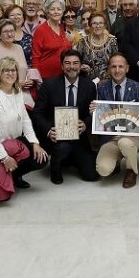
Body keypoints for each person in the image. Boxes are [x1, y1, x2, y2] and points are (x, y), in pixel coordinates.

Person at [0, 58, 49, 207]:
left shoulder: (17, 92)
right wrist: (4, 158)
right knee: (2, 198)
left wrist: (35, 143)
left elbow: (25, 121)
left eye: (13, 70)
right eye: (6, 70)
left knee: (41, 158)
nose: (10, 73)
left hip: (13, 146)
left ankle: (12, 175)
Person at [32, 50, 99, 184]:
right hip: (56, 137)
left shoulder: (89, 86)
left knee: (91, 176)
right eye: (67, 63)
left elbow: (92, 113)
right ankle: (56, 165)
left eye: (75, 63)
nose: (71, 67)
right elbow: (37, 113)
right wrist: (48, 130)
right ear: (62, 66)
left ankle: (71, 158)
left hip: (79, 136)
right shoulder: (49, 85)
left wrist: (86, 123)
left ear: (80, 66)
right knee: (63, 148)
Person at [93, 54, 139, 188]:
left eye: (120, 66)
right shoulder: (102, 88)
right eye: (113, 67)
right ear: (108, 69)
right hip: (111, 137)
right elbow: (101, 117)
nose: (117, 70)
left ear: (127, 68)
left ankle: (131, 170)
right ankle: (116, 161)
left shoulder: (138, 87)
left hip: (132, 136)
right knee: (103, 170)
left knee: (125, 142)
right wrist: (94, 111)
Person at [32, 0, 72, 79]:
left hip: (64, 75)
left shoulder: (63, 28)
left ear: (63, 11)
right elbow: (35, 57)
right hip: (46, 77)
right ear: (47, 11)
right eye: (52, 9)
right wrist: (37, 79)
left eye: (59, 9)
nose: (56, 12)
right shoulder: (41, 30)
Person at [75, 11, 119, 82]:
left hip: (108, 82)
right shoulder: (82, 42)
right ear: (90, 25)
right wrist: (81, 66)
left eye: (100, 23)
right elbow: (76, 61)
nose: (98, 26)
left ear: (105, 25)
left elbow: (116, 62)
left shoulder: (112, 41)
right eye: (94, 23)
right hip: (88, 82)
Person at [0, 20, 31, 89]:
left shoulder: (19, 48)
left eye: (12, 31)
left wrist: (30, 80)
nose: (9, 34)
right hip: (4, 91)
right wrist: (17, 84)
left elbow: (25, 69)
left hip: (23, 90)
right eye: (5, 32)